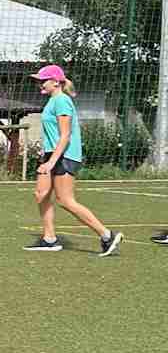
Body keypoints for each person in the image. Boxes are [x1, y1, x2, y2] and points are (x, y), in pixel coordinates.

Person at [25, 63, 121, 255]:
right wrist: (47, 157)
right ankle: (49, 239)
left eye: (43, 81)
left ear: (56, 82)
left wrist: (52, 162)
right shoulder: (52, 101)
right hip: (52, 154)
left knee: (65, 200)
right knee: (41, 194)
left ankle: (107, 235)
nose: (40, 84)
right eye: (39, 81)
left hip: (65, 155)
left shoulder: (62, 101)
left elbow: (65, 135)